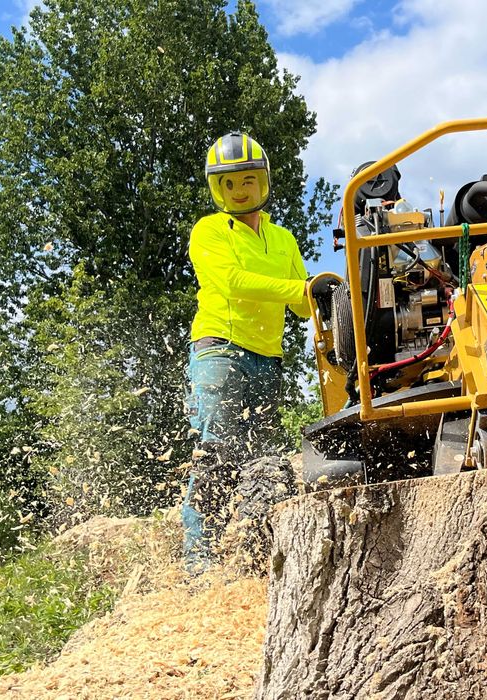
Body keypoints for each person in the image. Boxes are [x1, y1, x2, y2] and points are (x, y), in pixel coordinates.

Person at [182, 131, 333, 571]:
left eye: (247, 180)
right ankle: (199, 565)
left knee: (257, 461)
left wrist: (326, 295)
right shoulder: (208, 231)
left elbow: (302, 305)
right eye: (230, 183)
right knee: (216, 454)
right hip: (219, 351)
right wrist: (299, 287)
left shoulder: (283, 239)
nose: (240, 190)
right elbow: (232, 282)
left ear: (262, 182)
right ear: (217, 187)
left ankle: (250, 555)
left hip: (268, 360)